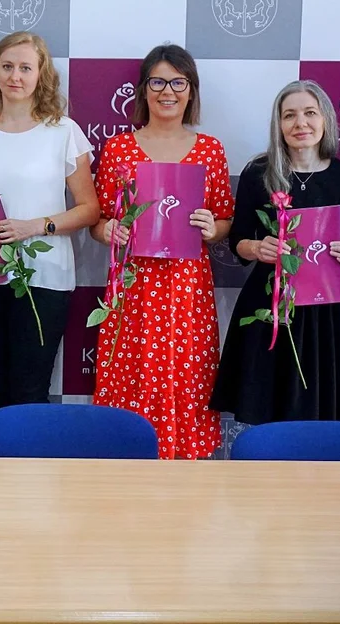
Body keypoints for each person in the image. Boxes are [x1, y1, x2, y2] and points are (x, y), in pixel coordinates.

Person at [89, 44, 234, 460]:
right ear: (143, 89)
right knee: (131, 373)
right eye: (157, 82)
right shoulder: (118, 148)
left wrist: (213, 227)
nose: (167, 91)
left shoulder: (210, 150)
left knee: (185, 374)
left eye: (177, 82)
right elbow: (98, 220)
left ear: (191, 91)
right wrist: (107, 230)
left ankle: (183, 468)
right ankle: (127, 459)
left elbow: (224, 218)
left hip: (187, 290)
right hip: (133, 287)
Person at [0, 31, 100, 410]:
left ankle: (31, 453)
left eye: (25, 68)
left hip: (45, 277)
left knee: (30, 395)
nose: (15, 76)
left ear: (40, 74)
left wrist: (35, 226)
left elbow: (89, 209)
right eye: (8, 66)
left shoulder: (63, 131)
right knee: (1, 395)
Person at [211, 80, 340, 426]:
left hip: (327, 315)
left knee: (324, 418)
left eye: (310, 113)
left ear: (325, 119)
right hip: (270, 307)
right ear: (278, 124)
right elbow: (238, 241)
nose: (300, 123)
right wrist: (256, 247)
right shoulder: (258, 173)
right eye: (289, 115)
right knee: (268, 413)